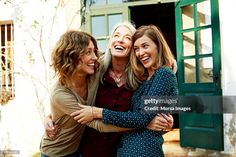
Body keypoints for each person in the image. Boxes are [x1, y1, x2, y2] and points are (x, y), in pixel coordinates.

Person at [45, 22, 175, 157]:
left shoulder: (141, 77)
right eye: (116, 35)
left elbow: (159, 107)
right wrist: (49, 117)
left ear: (132, 48)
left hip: (118, 150)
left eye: (127, 38)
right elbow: (68, 94)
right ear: (110, 42)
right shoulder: (94, 70)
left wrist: (164, 119)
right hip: (87, 150)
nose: (120, 40)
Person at [40, 30, 100, 157]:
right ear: (71, 56)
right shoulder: (60, 93)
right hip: (55, 152)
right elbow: (96, 124)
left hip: (77, 149)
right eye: (88, 52)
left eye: (94, 51)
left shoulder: (94, 73)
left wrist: (48, 117)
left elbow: (113, 52)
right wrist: (138, 123)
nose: (95, 57)